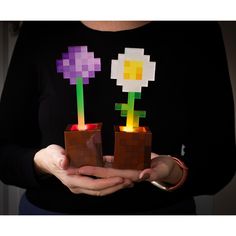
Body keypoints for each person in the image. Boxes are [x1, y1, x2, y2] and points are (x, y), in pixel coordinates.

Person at [0, 21, 235, 215]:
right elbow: (5, 153)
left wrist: (171, 170)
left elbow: (218, 164)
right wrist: (43, 163)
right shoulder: (42, 29)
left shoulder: (195, 30)